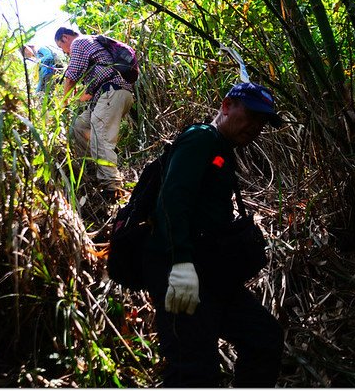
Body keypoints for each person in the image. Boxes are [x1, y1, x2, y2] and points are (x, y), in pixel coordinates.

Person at [143, 81, 284, 387]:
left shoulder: (222, 151)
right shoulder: (201, 139)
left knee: (264, 337)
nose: (255, 126)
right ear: (226, 106)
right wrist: (180, 262)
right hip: (178, 270)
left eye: (262, 122)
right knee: (193, 370)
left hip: (209, 274)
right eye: (251, 114)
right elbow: (171, 199)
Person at [54, 27, 134, 197]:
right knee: (78, 126)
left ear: (65, 38)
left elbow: (72, 75)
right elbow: (89, 87)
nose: (65, 52)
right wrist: (80, 97)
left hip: (112, 92)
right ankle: (94, 171)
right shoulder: (94, 47)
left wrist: (63, 102)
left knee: (100, 135)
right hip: (110, 95)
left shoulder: (79, 42)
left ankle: (113, 186)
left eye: (61, 47)